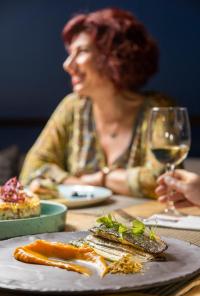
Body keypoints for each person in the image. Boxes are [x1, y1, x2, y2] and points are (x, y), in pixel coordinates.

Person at [20, 7, 173, 198]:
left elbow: (162, 179)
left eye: (81, 51)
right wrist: (86, 184)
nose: (68, 64)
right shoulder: (72, 107)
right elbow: (33, 169)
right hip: (79, 224)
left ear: (114, 57)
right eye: (70, 53)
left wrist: (99, 179)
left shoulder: (158, 109)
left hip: (140, 225)